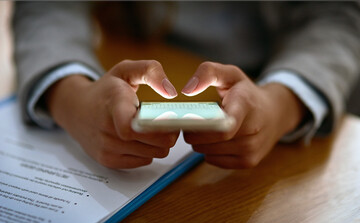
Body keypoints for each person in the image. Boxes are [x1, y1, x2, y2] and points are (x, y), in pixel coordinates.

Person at [13, 2, 360, 169]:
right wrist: (71, 97)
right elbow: (44, 7)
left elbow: (337, 17)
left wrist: (281, 103)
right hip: (131, 57)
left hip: (274, 77)